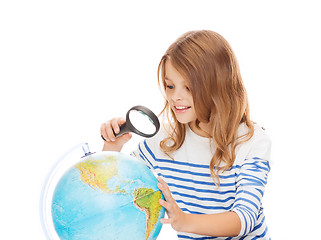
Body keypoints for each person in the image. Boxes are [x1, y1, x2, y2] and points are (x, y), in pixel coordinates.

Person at [100, 30, 272, 240]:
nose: (175, 97)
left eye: (188, 87)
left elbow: (244, 219)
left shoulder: (252, 141)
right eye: (170, 86)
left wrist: (184, 221)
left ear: (217, 86)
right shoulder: (164, 140)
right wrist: (112, 148)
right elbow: (117, 188)